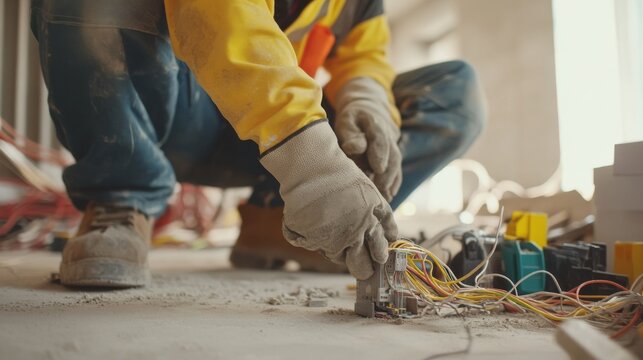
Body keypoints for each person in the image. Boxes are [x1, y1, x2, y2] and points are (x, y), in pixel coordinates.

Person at [30, 0, 485, 287]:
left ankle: (282, 221)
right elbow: (224, 19)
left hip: (278, 139)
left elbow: (365, 57)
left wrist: (366, 99)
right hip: (182, 112)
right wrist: (315, 165)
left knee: (454, 89)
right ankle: (119, 200)